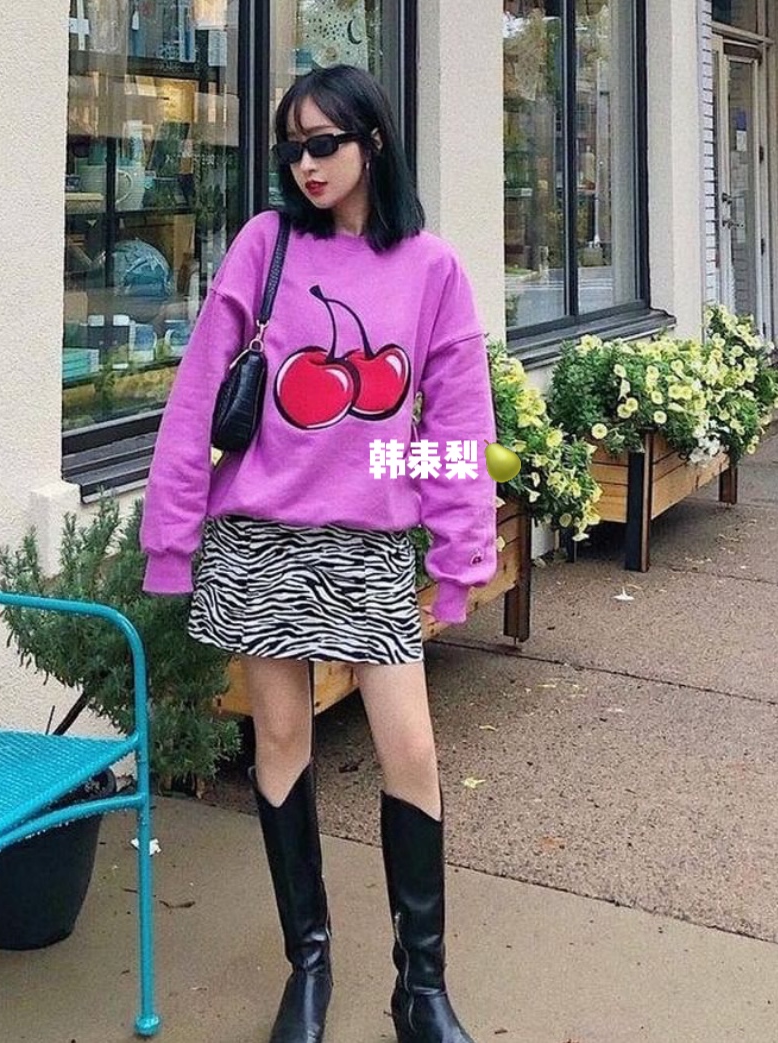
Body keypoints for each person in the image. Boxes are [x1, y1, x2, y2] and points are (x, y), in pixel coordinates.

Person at [140, 63, 497, 1043]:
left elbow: (455, 425)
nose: (305, 164)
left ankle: (421, 988)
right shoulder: (265, 245)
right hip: (260, 534)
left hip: (369, 545)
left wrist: (458, 554)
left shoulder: (429, 269)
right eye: (291, 147)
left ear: (371, 142)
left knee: (410, 750)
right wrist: (173, 535)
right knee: (282, 741)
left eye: (323, 143)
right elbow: (196, 396)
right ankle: (309, 964)